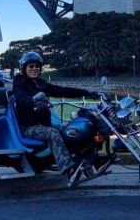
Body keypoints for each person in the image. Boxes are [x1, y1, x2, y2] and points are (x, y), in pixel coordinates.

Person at [12, 51, 99, 186]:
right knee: (53, 133)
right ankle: (67, 169)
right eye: (31, 66)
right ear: (24, 68)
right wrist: (33, 100)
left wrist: (88, 93)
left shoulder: (41, 83)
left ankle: (83, 161)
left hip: (45, 125)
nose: (34, 69)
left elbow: (63, 90)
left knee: (71, 129)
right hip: (28, 127)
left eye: (37, 66)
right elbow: (21, 97)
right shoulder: (19, 82)